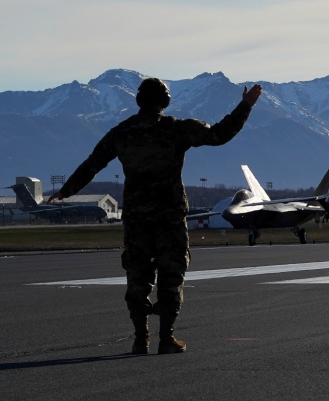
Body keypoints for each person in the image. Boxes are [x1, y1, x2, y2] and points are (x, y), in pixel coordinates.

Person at [48, 77, 263, 355]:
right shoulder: (177, 129)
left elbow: (93, 163)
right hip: (170, 217)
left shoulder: (122, 132)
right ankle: (166, 337)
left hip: (137, 218)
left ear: (139, 101)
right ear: (165, 101)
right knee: (172, 274)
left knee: (138, 276)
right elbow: (219, 134)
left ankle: (140, 338)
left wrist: (66, 191)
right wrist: (245, 106)